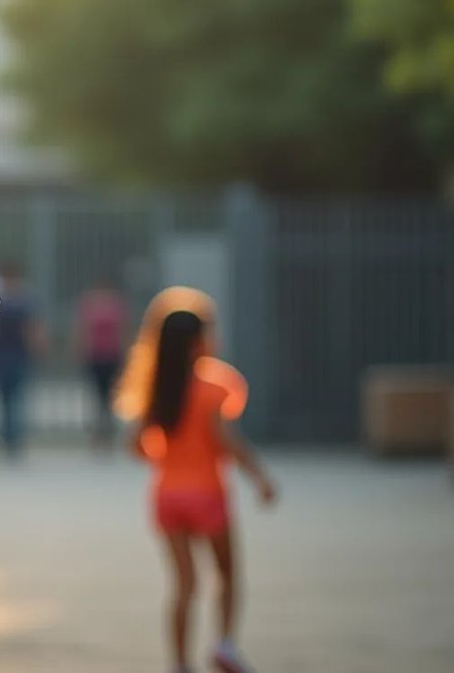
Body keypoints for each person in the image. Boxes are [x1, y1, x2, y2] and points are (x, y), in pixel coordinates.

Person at [117, 288, 275, 673]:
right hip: (208, 495)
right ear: (200, 341)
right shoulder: (218, 384)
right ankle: (223, 645)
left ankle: (179, 661)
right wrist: (259, 477)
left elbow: (137, 446)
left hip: (167, 497)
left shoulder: (154, 387)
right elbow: (226, 440)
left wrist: (167, 457)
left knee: (184, 585)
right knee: (227, 574)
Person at [0, 261, 45, 460]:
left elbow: (31, 329)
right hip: (9, 356)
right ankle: (11, 439)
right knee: (10, 400)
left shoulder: (2, 300)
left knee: (11, 400)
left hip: (10, 356)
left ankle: (10, 438)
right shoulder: (21, 300)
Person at [74, 274, 129, 449]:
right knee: (98, 396)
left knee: (110, 396)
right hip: (95, 355)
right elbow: (83, 329)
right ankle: (99, 432)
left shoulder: (115, 304)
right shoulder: (91, 304)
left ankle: (107, 431)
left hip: (112, 354)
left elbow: (124, 329)